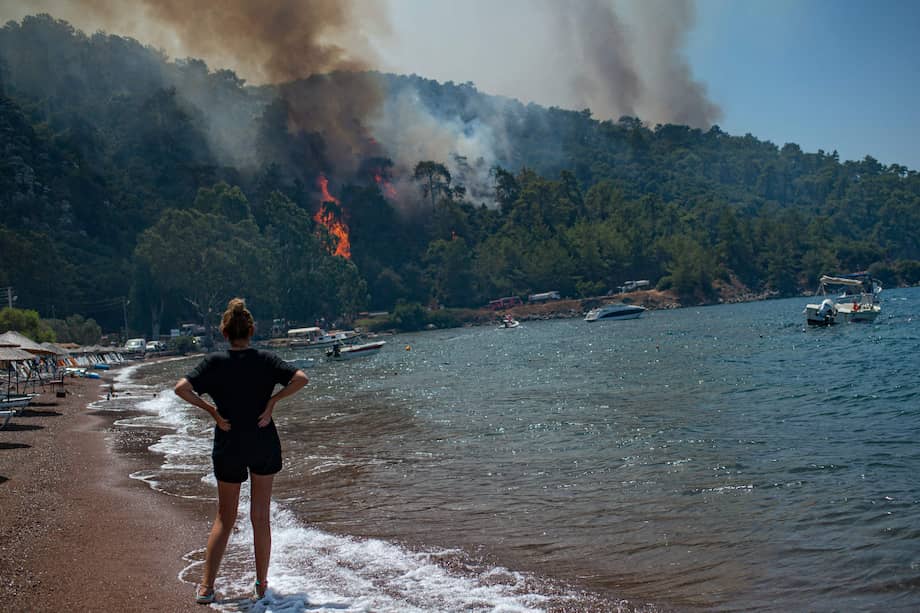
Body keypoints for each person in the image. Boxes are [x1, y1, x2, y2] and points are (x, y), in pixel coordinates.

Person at [174, 298, 308, 604]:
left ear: (224, 332)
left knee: (225, 516)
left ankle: (207, 587)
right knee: (260, 517)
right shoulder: (266, 359)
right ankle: (261, 586)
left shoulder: (214, 363)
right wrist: (273, 402)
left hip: (229, 440)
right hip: (262, 439)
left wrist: (211, 411)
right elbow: (301, 378)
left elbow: (181, 388)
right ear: (252, 329)